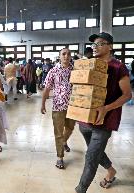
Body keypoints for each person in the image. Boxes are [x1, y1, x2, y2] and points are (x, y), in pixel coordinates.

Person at [75, 32, 132, 193]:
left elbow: (127, 95)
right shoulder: (90, 64)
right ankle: (111, 171)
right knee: (96, 152)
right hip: (85, 120)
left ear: (110, 46)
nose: (95, 47)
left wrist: (106, 108)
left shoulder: (118, 67)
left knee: (91, 157)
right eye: (93, 44)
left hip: (104, 121)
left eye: (100, 43)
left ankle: (80, 189)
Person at [41, 48, 75, 169]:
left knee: (70, 128)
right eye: (64, 54)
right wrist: (43, 103)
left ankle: (64, 142)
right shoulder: (53, 71)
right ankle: (60, 157)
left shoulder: (75, 70)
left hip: (73, 106)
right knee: (58, 133)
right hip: (58, 106)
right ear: (59, 56)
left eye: (68, 54)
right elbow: (47, 88)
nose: (66, 56)